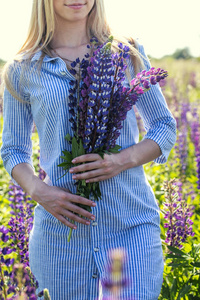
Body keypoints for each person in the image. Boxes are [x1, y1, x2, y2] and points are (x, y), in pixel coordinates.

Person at [1, 0, 176, 299]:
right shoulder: (24, 68)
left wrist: (121, 160)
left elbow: (163, 126)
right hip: (60, 236)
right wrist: (37, 190)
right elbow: (13, 149)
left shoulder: (126, 52)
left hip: (130, 225)